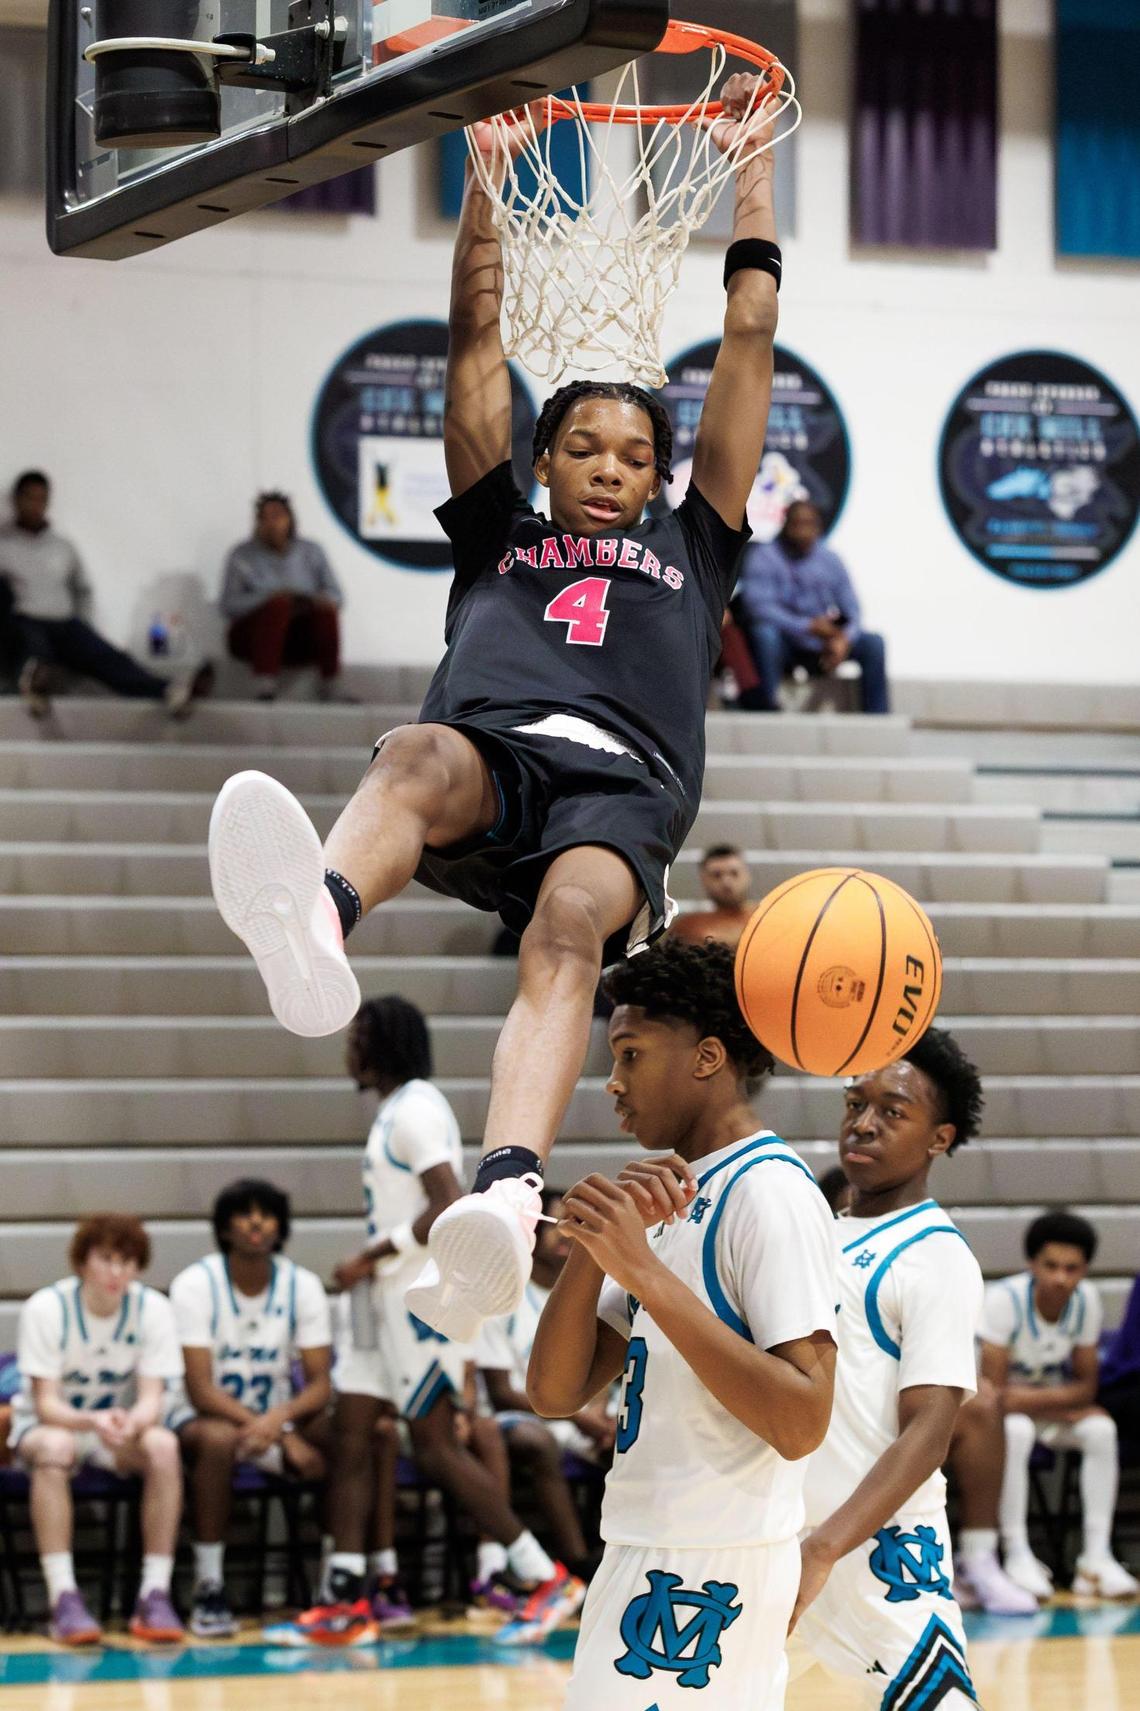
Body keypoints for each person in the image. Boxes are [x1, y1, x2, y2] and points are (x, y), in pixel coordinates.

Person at [205, 75, 783, 1342]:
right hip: (494, 760)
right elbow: (475, 345)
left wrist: (749, 170)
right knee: (413, 751)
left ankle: (508, 1191)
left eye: (636, 456)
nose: (612, 469)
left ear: (658, 474)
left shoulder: (702, 541)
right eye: (585, 449)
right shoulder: (495, 535)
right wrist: (484, 181)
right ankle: (314, 925)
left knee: (570, 931)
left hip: (619, 793)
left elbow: (747, 339)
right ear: (543, 457)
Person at [529, 940, 837, 1707]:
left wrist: (645, 1273)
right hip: (638, 1542)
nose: (613, 1079)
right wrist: (596, 1251)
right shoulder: (671, 1199)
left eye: (631, 1053)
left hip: (712, 1562)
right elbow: (553, 1390)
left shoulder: (771, 1192)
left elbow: (803, 1418)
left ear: (706, 1057)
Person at [294, 996, 584, 1645]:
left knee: (435, 1447)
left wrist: (374, 1251)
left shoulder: (419, 1107)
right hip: (384, 1306)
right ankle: (344, 1594)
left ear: (382, 1041)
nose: (349, 1049)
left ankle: (544, 1577)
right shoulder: (397, 1110)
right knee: (353, 1433)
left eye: (358, 1035)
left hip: (420, 1303)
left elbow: (450, 1202)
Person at [790, 1028, 987, 1708]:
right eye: (854, 1103)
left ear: (939, 1137)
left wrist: (826, 1547)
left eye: (892, 1111)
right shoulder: (815, 1233)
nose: (864, 1123)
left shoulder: (936, 1254)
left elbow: (929, 1434)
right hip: (778, 1543)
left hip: (880, 1553)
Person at [167, 1179, 333, 1638]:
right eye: (244, 1213)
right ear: (224, 1229)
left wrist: (281, 1422)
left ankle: (339, 1581)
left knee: (349, 1431)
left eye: (267, 1214)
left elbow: (321, 1383)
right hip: (201, 1422)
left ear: (281, 1227)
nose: (257, 1222)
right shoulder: (195, 1284)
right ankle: (209, 1584)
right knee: (219, 1439)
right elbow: (200, 1390)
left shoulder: (302, 1285)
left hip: (272, 1421)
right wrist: (280, 1431)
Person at [9, 1215, 185, 1646]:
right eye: (106, 1259)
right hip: (50, 1426)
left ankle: (154, 1592)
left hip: (117, 1432)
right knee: (56, 1444)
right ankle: (63, 1596)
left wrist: (134, 1421)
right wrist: (92, 1420)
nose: (117, 1272)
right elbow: (47, 1403)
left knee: (163, 1445)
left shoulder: (153, 1309)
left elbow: (152, 1397)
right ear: (83, 1262)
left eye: (127, 1262)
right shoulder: (47, 1308)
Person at [979, 1209, 1139, 1600]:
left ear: (1085, 1269)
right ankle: (1017, 1553)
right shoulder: (1003, 1300)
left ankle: (1095, 1558)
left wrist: (1050, 1401)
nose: (1060, 1278)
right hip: (1003, 1416)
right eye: (1051, 1266)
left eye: (1072, 1268)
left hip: (1039, 1409)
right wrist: (1060, 1400)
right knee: (1013, 1431)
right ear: (1032, 1263)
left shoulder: (1086, 1300)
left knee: (1101, 1429)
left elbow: (1087, 1389)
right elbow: (996, 1394)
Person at [478, 1189, 614, 1583]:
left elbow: (605, 1363)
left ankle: (628, 1557)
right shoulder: (504, 1294)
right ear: (531, 1231)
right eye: (556, 1226)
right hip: (514, 1415)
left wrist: (597, 1415)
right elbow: (501, 1391)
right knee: (540, 1442)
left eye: (575, 1226)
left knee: (632, 1439)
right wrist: (579, 1418)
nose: (565, 1236)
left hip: (577, 1414)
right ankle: (576, 1562)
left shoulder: (591, 1292)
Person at [0, 470, 207, 718]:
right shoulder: (4, 545)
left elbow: (82, 590)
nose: (35, 505)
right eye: (29, 498)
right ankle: (34, 687)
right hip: (25, 621)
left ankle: (169, 692)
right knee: (33, 650)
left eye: (41, 499)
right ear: (16, 500)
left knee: (106, 656)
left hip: (64, 622)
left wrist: (82, 623)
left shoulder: (62, 546)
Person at [736, 499, 890, 714]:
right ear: (785, 524)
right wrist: (806, 626)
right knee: (764, 634)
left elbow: (852, 609)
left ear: (818, 527)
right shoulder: (765, 556)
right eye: (797, 523)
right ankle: (765, 705)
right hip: (786, 640)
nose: (802, 529)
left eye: (808, 523)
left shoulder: (830, 559)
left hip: (823, 642)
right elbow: (758, 607)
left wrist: (844, 639)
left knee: (873, 643)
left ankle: (876, 715)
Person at [220, 491, 346, 701]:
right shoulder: (242, 555)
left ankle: (331, 686)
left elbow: (337, 597)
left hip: (299, 638)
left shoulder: (312, 552)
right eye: (264, 517)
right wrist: (269, 598)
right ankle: (265, 686)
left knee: (325, 611)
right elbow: (229, 605)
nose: (271, 523)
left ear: (290, 519)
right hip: (253, 639)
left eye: (277, 516)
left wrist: (312, 599)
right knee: (278, 605)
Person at [669, 844, 757, 950]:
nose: (726, 882)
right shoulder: (688, 928)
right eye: (717, 875)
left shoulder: (766, 919)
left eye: (734, 873)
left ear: (747, 875)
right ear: (704, 880)